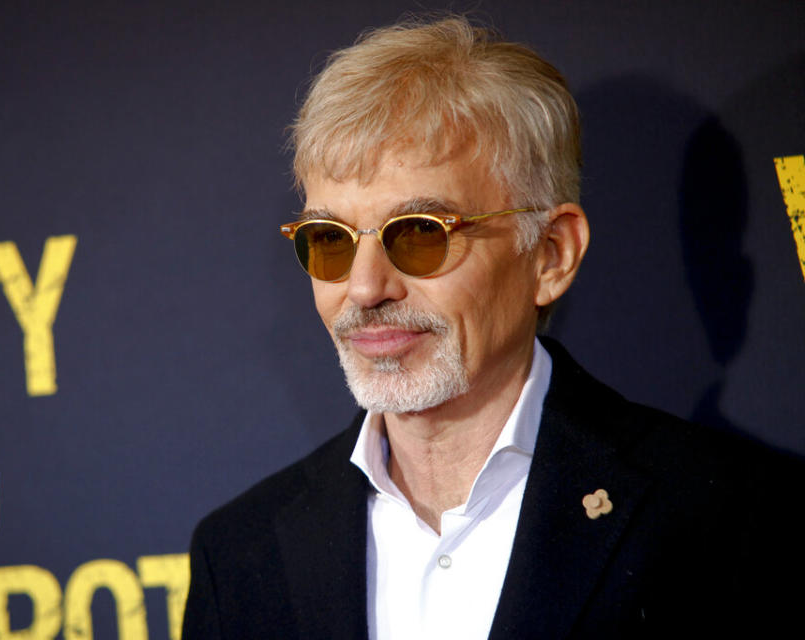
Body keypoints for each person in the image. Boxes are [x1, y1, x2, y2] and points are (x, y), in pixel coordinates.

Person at [182, 15, 801, 640]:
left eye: (421, 231)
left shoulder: (733, 520)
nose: (366, 288)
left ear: (551, 254)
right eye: (329, 240)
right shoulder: (239, 556)